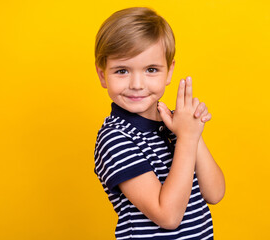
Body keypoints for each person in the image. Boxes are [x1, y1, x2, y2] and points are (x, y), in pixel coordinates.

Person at [94, 7, 225, 239]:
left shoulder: (177, 124)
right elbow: (168, 217)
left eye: (151, 70)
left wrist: (193, 133)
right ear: (103, 75)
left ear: (169, 71)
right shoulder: (115, 138)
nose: (136, 84)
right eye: (122, 71)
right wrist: (186, 138)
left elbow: (215, 193)